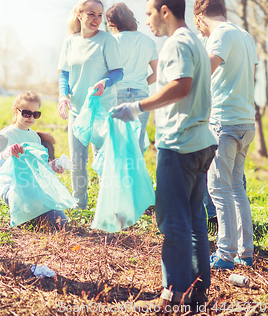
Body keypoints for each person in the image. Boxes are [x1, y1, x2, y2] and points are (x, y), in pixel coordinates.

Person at [111, 0, 217, 310]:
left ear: (165, 11)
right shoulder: (196, 42)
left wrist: (137, 106)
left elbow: (181, 86)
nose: (146, 21)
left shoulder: (177, 43)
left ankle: (174, 293)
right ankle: (197, 290)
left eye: (149, 13)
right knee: (195, 218)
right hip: (200, 142)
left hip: (180, 144)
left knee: (173, 220)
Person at [193, 0, 258, 269]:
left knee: (218, 188)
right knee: (236, 189)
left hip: (224, 122)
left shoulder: (219, 35)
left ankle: (225, 254)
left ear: (199, 17)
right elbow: (249, 75)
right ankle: (245, 252)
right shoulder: (244, 35)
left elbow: (201, 74)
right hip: (245, 122)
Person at [57, 0, 123, 210]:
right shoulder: (69, 41)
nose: (96, 19)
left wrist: (105, 82)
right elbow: (65, 75)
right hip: (77, 110)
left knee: (103, 162)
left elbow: (118, 72)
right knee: (77, 161)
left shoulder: (107, 41)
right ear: (80, 14)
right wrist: (62, 96)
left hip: (102, 110)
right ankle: (80, 205)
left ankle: (108, 206)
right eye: (92, 14)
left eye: (100, 15)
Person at [0, 91, 68, 230]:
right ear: (16, 111)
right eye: (26, 113)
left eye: (36, 114)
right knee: (36, 216)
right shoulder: (6, 134)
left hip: (34, 187)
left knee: (61, 223)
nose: (31, 117)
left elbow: (38, 167)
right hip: (12, 188)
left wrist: (52, 166)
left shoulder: (35, 137)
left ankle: (30, 213)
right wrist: (7, 153)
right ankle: (22, 212)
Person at [106, 2, 158, 155]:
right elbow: (158, 73)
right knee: (138, 142)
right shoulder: (149, 42)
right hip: (141, 96)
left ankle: (117, 177)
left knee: (117, 141)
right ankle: (135, 177)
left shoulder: (112, 41)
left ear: (113, 23)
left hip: (117, 93)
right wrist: (142, 83)